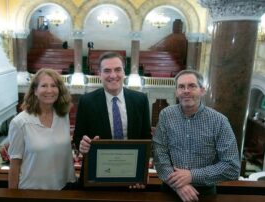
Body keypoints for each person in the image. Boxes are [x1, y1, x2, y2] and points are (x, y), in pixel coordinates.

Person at [153, 69, 240, 202]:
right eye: (181, 87)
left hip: (204, 193)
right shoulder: (166, 115)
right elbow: (160, 154)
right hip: (170, 189)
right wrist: (179, 185)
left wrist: (192, 176)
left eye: (192, 86)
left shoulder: (219, 121)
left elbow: (232, 166)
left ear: (202, 90)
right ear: (176, 92)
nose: (186, 90)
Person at [73, 51, 151, 188]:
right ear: (100, 74)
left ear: (124, 72)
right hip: (96, 177)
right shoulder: (86, 101)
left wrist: (142, 172)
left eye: (117, 70)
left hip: (131, 177)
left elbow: (146, 139)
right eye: (107, 71)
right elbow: (78, 138)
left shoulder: (141, 100)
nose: (113, 75)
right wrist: (83, 144)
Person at [8, 68, 76, 190]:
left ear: (59, 90)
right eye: (44, 86)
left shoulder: (63, 116)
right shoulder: (19, 123)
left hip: (64, 187)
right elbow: (15, 165)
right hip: (32, 191)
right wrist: (12, 196)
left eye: (53, 85)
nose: (49, 90)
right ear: (35, 90)